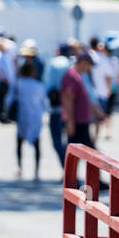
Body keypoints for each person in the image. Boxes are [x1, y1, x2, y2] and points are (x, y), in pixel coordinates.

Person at [6, 52, 48, 180]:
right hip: (35, 118)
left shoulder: (18, 84)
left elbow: (9, 100)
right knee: (37, 145)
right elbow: (45, 103)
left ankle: (19, 167)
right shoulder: (39, 85)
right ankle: (36, 171)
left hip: (22, 117)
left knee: (19, 143)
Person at [61, 51, 104, 147]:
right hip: (77, 122)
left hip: (81, 121)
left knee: (84, 151)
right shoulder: (71, 75)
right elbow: (68, 99)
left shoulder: (79, 76)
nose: (89, 69)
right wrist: (70, 122)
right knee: (85, 152)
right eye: (89, 65)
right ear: (83, 62)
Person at [44, 43, 72, 171]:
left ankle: (66, 168)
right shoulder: (71, 64)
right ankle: (70, 169)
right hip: (70, 109)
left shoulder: (53, 63)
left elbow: (47, 85)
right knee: (70, 142)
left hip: (56, 109)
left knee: (56, 140)